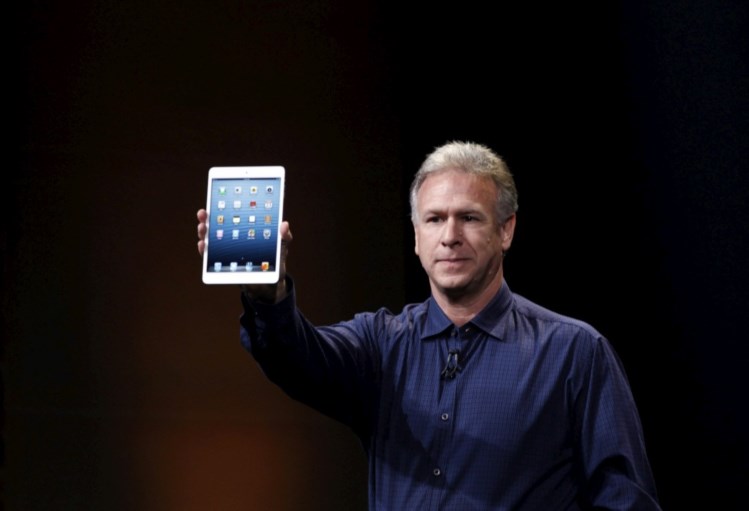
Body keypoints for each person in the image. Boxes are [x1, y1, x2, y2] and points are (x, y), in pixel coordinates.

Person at [196, 141, 662, 510]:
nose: (450, 236)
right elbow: (295, 358)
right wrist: (268, 292)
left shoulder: (575, 352)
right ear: (417, 236)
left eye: (469, 218)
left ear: (506, 230)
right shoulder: (379, 345)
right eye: (435, 219)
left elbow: (625, 499)